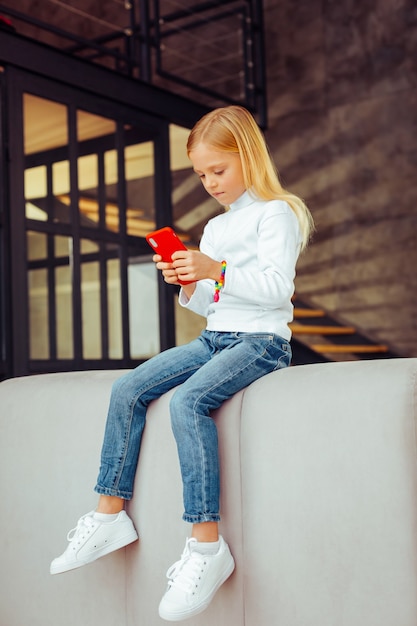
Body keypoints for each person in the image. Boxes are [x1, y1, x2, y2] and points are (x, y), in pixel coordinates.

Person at [50, 105, 314, 621]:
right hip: (216, 335)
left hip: (261, 341)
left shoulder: (277, 213)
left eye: (218, 170)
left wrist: (216, 268)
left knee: (188, 402)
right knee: (128, 389)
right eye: (201, 174)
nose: (210, 182)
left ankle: (206, 545)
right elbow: (212, 304)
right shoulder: (216, 227)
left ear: (248, 156)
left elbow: (278, 291)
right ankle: (108, 515)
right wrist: (189, 283)